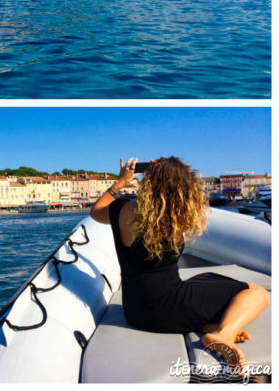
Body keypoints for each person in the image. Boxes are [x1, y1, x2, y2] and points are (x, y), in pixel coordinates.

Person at [90, 156, 269, 371]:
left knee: (207, 279)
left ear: (149, 183)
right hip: (169, 310)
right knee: (257, 293)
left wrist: (121, 182)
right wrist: (167, 171)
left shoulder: (121, 210)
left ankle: (210, 324)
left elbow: (95, 211)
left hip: (135, 311)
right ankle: (223, 335)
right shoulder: (174, 217)